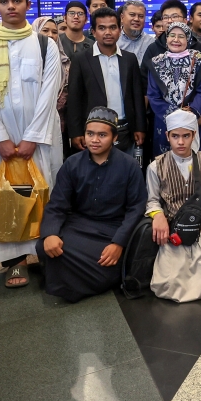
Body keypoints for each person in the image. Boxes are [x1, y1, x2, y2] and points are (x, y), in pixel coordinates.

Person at [0, 0, 62, 288]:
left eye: (17, 1)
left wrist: (33, 136)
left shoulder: (44, 43)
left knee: (43, 194)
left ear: (27, 4)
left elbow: (51, 90)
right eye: (4, 2)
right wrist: (0, 138)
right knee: (7, 198)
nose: (11, 7)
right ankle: (14, 262)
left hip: (41, 136)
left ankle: (47, 252)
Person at [38, 107, 146, 302]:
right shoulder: (72, 164)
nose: (94, 140)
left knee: (105, 261)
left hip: (111, 231)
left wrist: (118, 243)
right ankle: (85, 279)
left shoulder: (129, 166)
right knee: (44, 246)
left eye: (102, 135)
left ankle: (68, 281)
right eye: (90, 134)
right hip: (79, 226)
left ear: (114, 138)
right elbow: (57, 205)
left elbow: (136, 208)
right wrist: (51, 233)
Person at [146, 110, 201, 302]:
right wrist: (158, 216)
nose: (180, 142)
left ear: (194, 135)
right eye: (175, 136)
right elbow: (152, 200)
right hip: (172, 229)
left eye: (185, 136)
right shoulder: (156, 166)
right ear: (167, 136)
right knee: (167, 284)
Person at [67, 7, 146, 153]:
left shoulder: (129, 59)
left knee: (125, 173)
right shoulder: (81, 59)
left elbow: (137, 96)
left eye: (112, 27)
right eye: (102, 28)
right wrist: (75, 132)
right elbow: (74, 98)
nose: (108, 33)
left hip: (125, 130)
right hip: (93, 132)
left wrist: (140, 127)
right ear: (93, 32)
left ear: (119, 30)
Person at [147, 22, 201, 156]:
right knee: (166, 166)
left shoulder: (199, 60)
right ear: (166, 39)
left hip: (193, 119)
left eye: (181, 36)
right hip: (165, 120)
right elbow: (153, 95)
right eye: (172, 35)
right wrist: (175, 114)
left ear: (188, 39)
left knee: (195, 164)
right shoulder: (156, 62)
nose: (176, 40)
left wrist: (192, 111)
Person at [140, 0, 201, 77]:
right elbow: (144, 78)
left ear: (185, 21)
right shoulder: (153, 48)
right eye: (165, 17)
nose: (169, 21)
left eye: (174, 16)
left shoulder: (196, 47)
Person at [32, 16, 70, 135]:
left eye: (54, 32)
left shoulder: (64, 61)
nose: (50, 35)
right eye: (45, 30)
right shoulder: (27, 58)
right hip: (32, 119)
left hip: (58, 119)